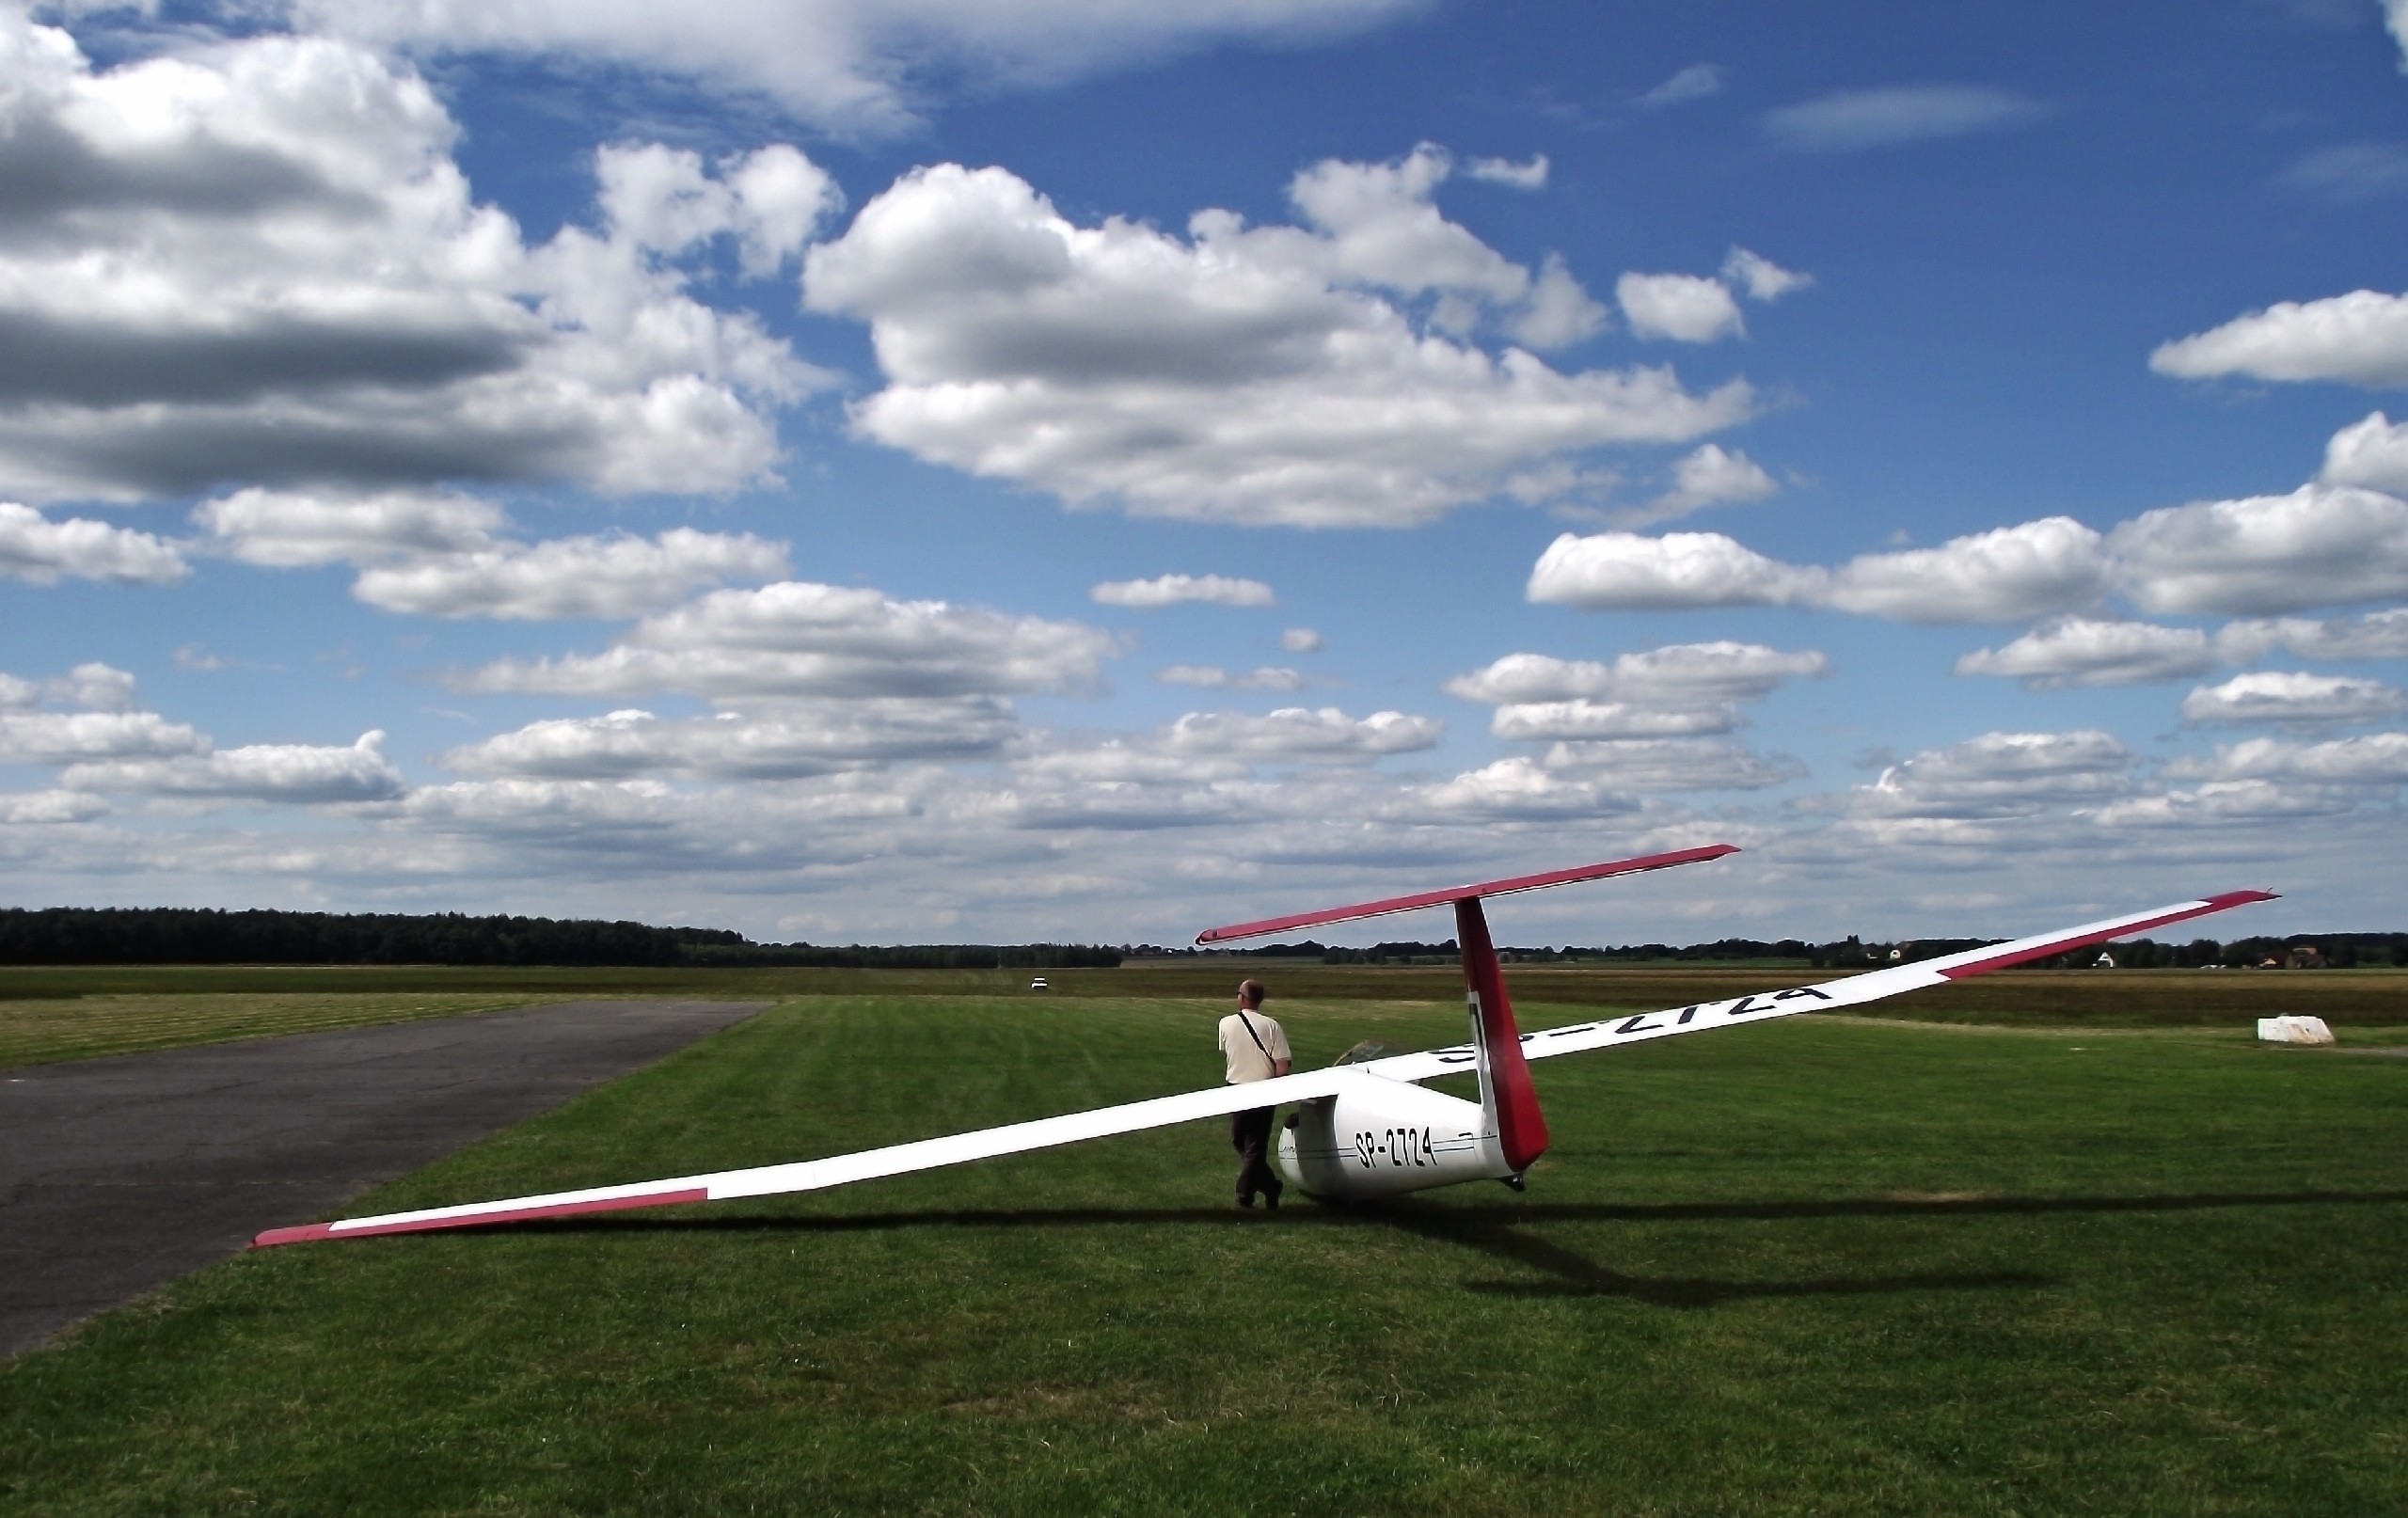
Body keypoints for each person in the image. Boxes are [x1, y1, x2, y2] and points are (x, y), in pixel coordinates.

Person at [1216, 978, 1291, 1210]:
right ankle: (1271, 1186)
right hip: (1263, 1090)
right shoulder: (1272, 1026)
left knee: (1246, 1143)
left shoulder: (1225, 1023)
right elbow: (1282, 1065)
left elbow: (1227, 1051)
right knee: (1250, 1146)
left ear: (1241, 998)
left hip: (1238, 1088)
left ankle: (1244, 1195)